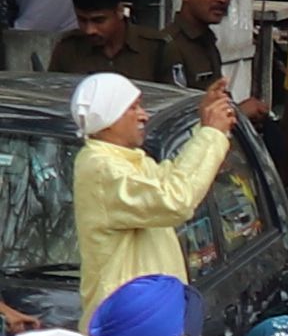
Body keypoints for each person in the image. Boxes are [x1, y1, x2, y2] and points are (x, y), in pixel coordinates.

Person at [69, 70, 238, 314]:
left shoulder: (127, 160)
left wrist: (205, 129)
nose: (144, 116)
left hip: (149, 317)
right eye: (133, 108)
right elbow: (176, 200)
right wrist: (211, 134)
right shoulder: (101, 168)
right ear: (109, 117)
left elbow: (173, 179)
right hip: (128, 324)